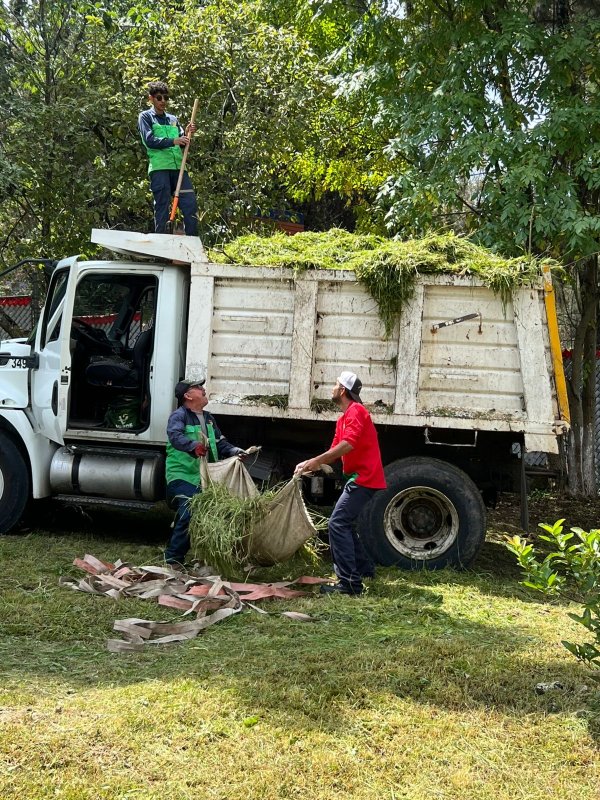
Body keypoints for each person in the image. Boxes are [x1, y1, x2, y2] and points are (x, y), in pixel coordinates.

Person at [295, 371, 386, 595]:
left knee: (337, 524)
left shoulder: (357, 410)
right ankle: (364, 570)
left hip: (364, 478)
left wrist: (317, 461)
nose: (333, 388)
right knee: (345, 523)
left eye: (335, 385)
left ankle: (349, 583)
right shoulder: (343, 419)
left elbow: (349, 444)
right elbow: (335, 451)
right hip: (359, 478)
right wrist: (309, 464)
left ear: (343, 390)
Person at [165, 378, 245, 565]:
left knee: (214, 514)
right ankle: (173, 560)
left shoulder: (209, 418)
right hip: (182, 474)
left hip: (204, 476)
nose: (203, 389)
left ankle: (208, 559)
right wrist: (193, 446)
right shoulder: (178, 416)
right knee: (190, 512)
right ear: (187, 395)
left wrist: (235, 451)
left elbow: (220, 442)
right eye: (197, 387)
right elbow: (175, 436)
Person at [138, 81, 198, 236]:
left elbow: (182, 142)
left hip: (179, 168)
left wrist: (187, 133)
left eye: (166, 98)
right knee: (162, 208)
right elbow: (150, 141)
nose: (163, 101)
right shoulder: (145, 117)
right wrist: (173, 141)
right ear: (151, 98)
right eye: (159, 98)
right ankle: (160, 244)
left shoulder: (172, 119)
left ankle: (192, 242)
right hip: (160, 169)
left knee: (190, 204)